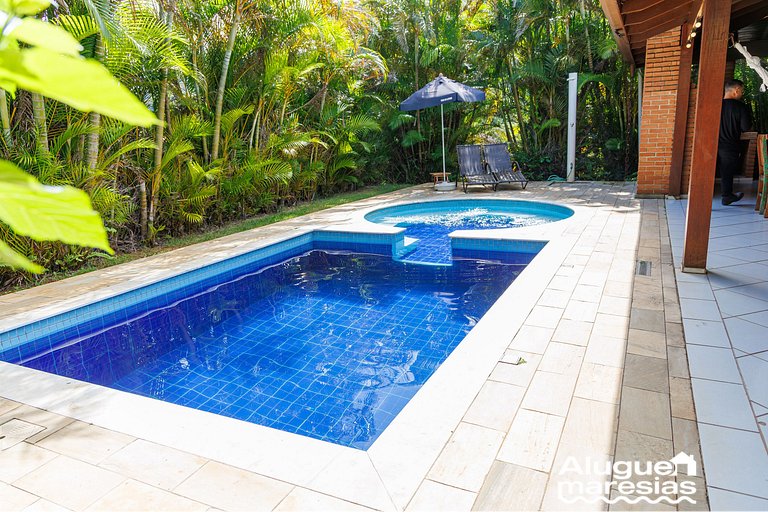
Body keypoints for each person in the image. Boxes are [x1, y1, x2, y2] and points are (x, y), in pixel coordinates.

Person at [718, 79, 752, 205]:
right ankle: (726, 196)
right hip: (730, 146)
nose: (742, 93)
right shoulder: (741, 107)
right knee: (727, 172)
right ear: (736, 90)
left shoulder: (716, 105)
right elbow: (745, 127)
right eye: (741, 91)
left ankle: (701, 197)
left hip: (713, 145)